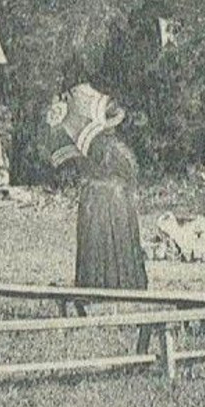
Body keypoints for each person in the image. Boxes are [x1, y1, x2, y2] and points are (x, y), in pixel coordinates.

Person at [48, 83, 148, 291]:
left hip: (91, 199)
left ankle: (94, 281)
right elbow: (130, 170)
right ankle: (121, 281)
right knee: (115, 241)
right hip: (113, 199)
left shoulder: (81, 144)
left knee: (95, 242)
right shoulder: (111, 147)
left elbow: (79, 168)